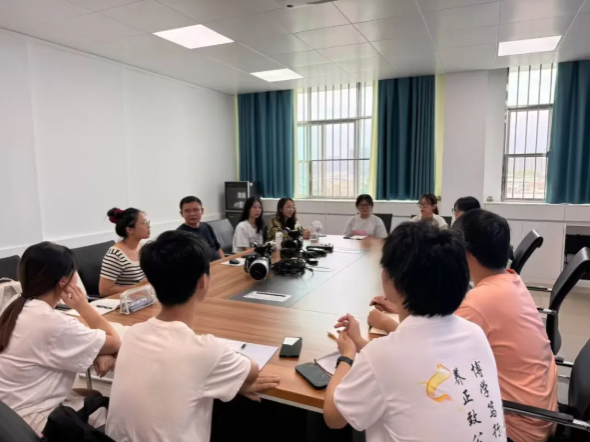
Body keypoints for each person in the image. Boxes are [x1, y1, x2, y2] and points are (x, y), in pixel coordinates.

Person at [324, 222, 505, 442]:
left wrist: (346, 355)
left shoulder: (382, 356)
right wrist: (360, 342)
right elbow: (411, 358)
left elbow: (333, 418)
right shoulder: (475, 334)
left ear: (387, 279)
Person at [106, 231, 280, 442]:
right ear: (203, 282)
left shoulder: (133, 334)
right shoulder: (207, 350)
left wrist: (226, 378)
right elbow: (252, 371)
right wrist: (231, 379)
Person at [453, 209, 557, 442]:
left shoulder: (480, 302)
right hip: (540, 414)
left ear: (465, 254)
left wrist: (395, 316)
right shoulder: (510, 279)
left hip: (516, 429)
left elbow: (430, 348)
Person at [0, 242, 121, 432]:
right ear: (63, 282)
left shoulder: (16, 303)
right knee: (112, 408)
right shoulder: (52, 323)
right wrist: (82, 306)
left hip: (9, 413)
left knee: (92, 393)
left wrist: (99, 350)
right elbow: (115, 341)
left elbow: (61, 340)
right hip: (34, 421)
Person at [99, 207, 151, 297]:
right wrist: (137, 287)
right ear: (130, 229)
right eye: (144, 223)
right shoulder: (115, 255)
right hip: (124, 302)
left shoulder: (142, 247)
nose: (148, 226)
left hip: (142, 297)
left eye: (147, 222)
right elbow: (104, 291)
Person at [177, 196, 224, 261]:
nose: (192, 214)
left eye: (196, 210)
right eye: (187, 211)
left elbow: (218, 248)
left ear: (202, 211)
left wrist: (224, 260)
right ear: (181, 214)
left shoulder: (207, 226)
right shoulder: (180, 235)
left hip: (219, 263)